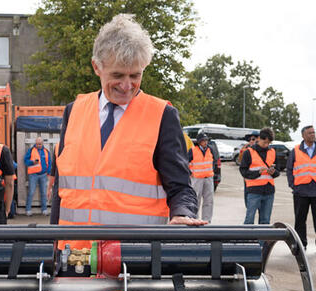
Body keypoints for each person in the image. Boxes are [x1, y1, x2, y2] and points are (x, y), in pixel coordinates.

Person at [48, 14, 203, 249]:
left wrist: (183, 213)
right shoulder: (74, 111)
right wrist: (51, 248)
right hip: (72, 257)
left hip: (134, 259)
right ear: (96, 67)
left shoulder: (163, 115)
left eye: (135, 75)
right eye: (118, 75)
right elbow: (63, 189)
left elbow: (180, 186)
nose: (127, 85)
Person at [286, 125, 316, 254]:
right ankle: (301, 244)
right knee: (300, 219)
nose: (312, 135)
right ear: (303, 135)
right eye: (309, 133)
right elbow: (289, 169)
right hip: (301, 190)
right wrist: (293, 185)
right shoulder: (296, 150)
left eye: (313, 132)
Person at [240, 127, 279, 225]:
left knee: (265, 221)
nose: (266, 145)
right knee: (249, 220)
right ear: (259, 139)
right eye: (264, 142)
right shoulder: (248, 152)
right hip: (254, 191)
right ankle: (247, 240)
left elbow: (278, 171)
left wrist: (273, 172)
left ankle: (262, 241)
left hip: (269, 191)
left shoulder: (273, 152)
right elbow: (243, 171)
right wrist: (258, 173)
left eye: (268, 143)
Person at [187, 132, 214, 222]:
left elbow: (214, 162)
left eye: (206, 140)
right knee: (195, 200)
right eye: (203, 140)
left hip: (208, 179)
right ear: (199, 142)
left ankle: (207, 220)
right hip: (197, 179)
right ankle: (194, 218)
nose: (205, 142)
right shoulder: (192, 151)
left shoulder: (211, 150)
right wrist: (189, 172)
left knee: (209, 200)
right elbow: (184, 162)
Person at [24, 137, 51, 216]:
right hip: (33, 175)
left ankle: (44, 210)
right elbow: (25, 161)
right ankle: (28, 210)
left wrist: (48, 172)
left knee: (43, 193)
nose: (38, 145)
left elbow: (49, 163)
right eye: (37, 144)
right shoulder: (31, 150)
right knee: (31, 192)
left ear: (42, 143)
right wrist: (32, 162)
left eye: (40, 144)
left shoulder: (46, 151)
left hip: (43, 175)